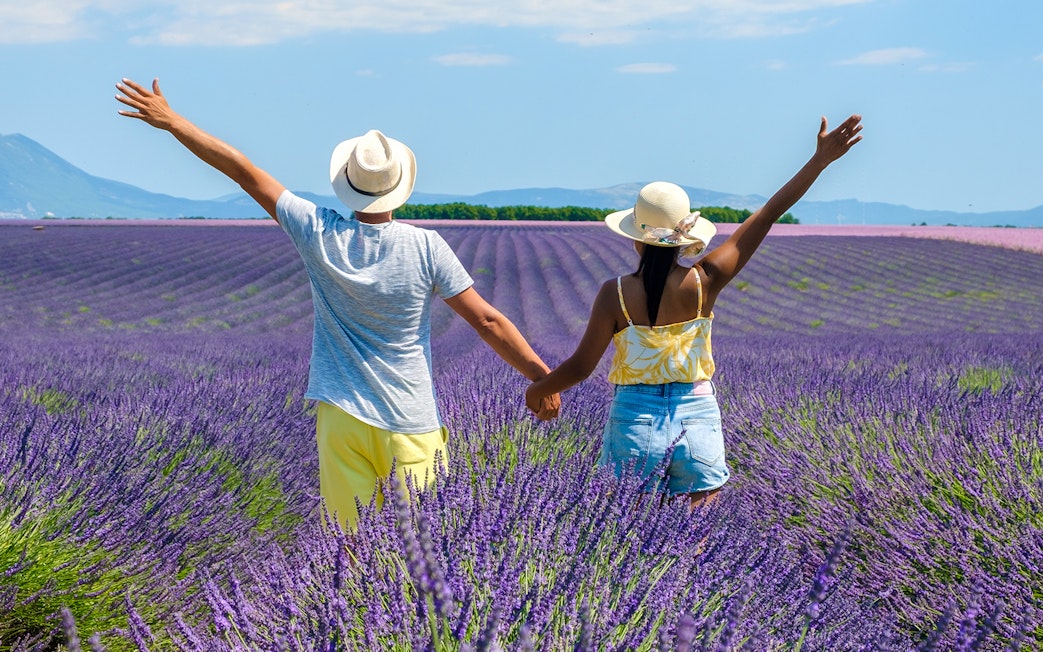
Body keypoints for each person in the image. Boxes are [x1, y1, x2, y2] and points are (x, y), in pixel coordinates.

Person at [116, 77, 561, 530]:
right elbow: (486, 321)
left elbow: (243, 170)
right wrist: (543, 379)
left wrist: (173, 123)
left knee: (349, 552)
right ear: (399, 185)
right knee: (428, 547)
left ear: (347, 182)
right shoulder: (426, 247)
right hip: (409, 417)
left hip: (342, 416)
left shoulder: (318, 232)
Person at [525, 115, 863, 509]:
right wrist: (819, 160)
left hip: (635, 419)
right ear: (685, 238)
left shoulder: (614, 294)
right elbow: (767, 215)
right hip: (698, 417)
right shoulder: (706, 281)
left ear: (637, 239)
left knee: (629, 546)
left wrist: (539, 390)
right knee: (696, 552)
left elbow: (582, 367)